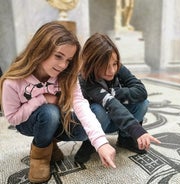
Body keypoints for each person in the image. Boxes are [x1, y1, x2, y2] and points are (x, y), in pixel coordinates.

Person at [0, 22, 116, 183]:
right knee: (50, 112)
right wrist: (42, 99)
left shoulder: (66, 76)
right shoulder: (13, 81)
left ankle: (49, 141)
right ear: (40, 49)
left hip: (56, 119)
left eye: (68, 60)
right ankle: (39, 157)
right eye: (58, 56)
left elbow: (80, 105)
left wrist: (101, 142)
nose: (63, 65)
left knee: (85, 128)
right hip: (28, 122)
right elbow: (13, 119)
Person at [75, 33, 161, 163]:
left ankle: (125, 139)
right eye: (105, 66)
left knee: (142, 102)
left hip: (119, 119)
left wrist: (114, 92)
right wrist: (137, 130)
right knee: (98, 109)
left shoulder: (117, 67)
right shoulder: (84, 79)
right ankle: (90, 142)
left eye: (114, 64)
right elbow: (110, 103)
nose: (111, 71)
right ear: (92, 63)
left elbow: (141, 91)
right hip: (99, 123)